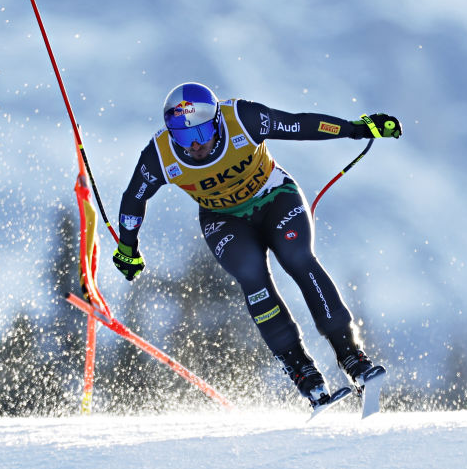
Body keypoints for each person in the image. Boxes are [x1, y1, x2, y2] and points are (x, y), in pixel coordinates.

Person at [111, 82, 402, 410]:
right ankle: (302, 372)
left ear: (217, 121)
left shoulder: (243, 118)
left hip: (275, 198)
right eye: (182, 136)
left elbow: (300, 124)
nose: (194, 145)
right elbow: (133, 198)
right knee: (253, 278)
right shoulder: (159, 155)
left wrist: (356, 128)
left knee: (298, 258)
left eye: (202, 132)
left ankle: (352, 358)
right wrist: (127, 247)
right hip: (224, 220)